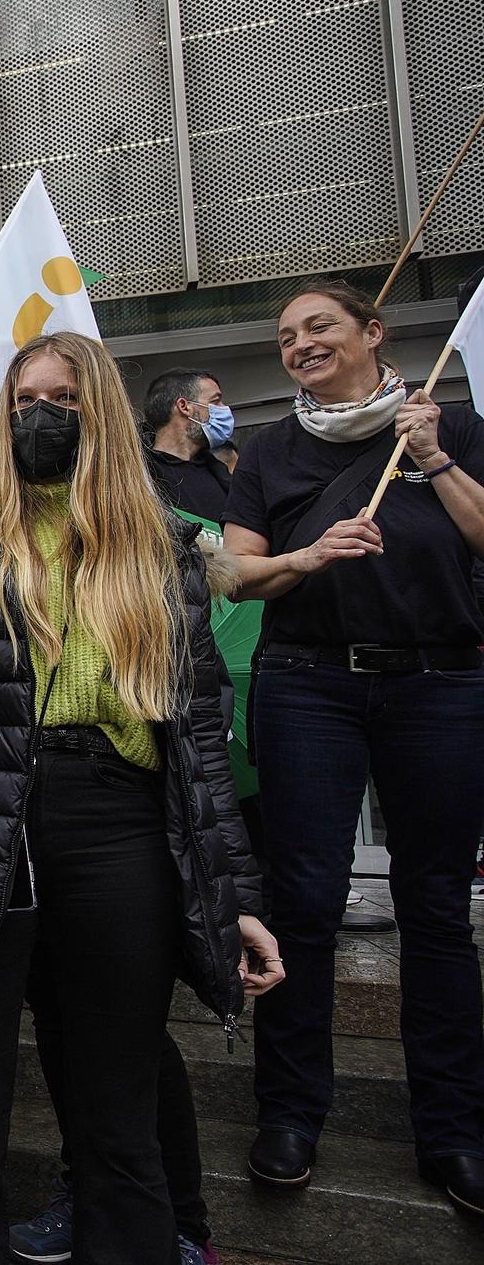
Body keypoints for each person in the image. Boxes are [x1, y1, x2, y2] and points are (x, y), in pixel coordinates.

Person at [0, 332, 283, 1265]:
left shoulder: (161, 542)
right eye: (29, 395)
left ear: (109, 419)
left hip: (117, 822)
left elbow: (198, 730)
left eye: (69, 400)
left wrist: (235, 894)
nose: (44, 413)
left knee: (117, 1109)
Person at [223, 280, 484, 1219]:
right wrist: (302, 557)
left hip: (441, 687)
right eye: (287, 336)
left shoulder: (448, 422)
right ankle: (290, 1113)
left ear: (374, 334)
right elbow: (234, 573)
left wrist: (437, 462)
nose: (300, 345)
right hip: (309, 687)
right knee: (302, 903)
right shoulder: (268, 450)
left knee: (437, 909)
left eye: (320, 326)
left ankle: (454, 1129)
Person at [142, 368, 236, 521]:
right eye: (215, 401)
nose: (225, 409)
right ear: (184, 407)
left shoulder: (219, 473)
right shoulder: (141, 476)